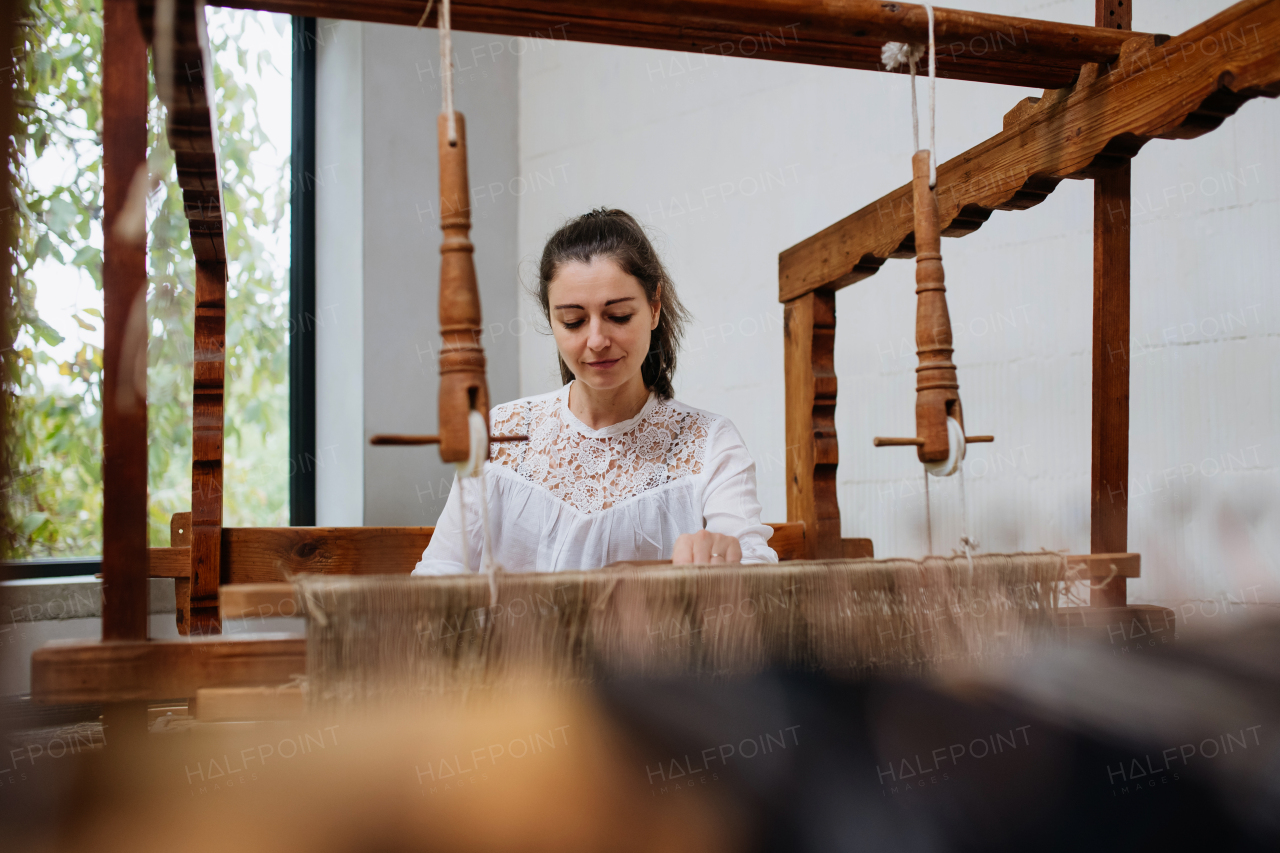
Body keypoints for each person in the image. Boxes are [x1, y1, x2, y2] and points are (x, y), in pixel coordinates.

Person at [413, 209, 777, 574]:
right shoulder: (502, 436)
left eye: (619, 316)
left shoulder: (709, 443)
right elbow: (440, 572)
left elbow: (755, 569)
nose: (598, 340)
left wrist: (724, 556)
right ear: (551, 321)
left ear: (654, 307)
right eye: (573, 322)